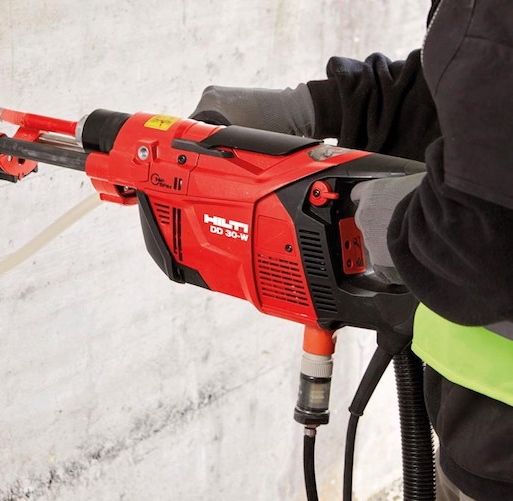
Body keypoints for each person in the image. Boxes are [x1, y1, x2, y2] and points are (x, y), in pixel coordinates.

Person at [191, 1, 513, 499]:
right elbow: (483, 92)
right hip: (479, 427)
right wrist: (327, 106)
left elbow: (478, 239)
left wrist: (400, 223)